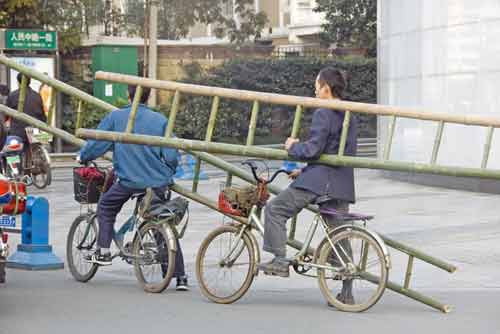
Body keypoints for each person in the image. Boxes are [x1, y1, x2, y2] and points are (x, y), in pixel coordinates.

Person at [258, 67, 358, 304]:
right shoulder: (351, 114)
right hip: (341, 182)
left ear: (326, 88)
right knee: (339, 235)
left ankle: (280, 260)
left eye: (316, 87)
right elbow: (336, 152)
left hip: (319, 182)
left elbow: (313, 150)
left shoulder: (324, 112)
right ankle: (347, 293)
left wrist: (293, 146)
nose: (314, 92)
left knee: (274, 210)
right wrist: (304, 170)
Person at [78, 85, 189, 291]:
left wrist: (83, 157)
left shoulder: (117, 117)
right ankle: (180, 276)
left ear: (128, 95)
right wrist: (167, 171)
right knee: (160, 220)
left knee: (106, 206)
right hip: (157, 181)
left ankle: (102, 250)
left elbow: (97, 143)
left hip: (129, 181)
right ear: (149, 96)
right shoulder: (160, 120)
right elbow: (172, 154)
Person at [6, 73, 47, 143]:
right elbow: (43, 117)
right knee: (36, 148)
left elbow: (5, 115)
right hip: (35, 132)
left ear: (18, 82)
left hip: (17, 133)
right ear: (29, 82)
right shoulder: (37, 96)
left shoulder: (13, 95)